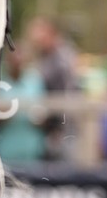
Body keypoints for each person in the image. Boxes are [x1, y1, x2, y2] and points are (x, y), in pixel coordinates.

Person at [25, 15, 81, 161]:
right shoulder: (45, 57)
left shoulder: (62, 58)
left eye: (40, 36)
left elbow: (66, 92)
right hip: (51, 125)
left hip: (62, 126)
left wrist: (59, 128)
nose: (37, 41)